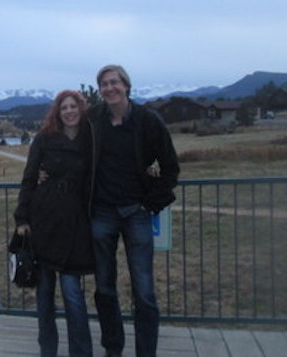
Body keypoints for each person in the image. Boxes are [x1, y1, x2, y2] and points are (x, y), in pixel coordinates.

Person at [89, 65, 180, 357]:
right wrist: (43, 169)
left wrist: (152, 202)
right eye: (104, 84)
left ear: (126, 86)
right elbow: (68, 147)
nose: (109, 88)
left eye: (114, 82)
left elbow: (170, 168)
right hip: (101, 214)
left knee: (144, 292)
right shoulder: (93, 120)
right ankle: (112, 349)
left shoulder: (147, 121)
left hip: (136, 213)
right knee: (104, 288)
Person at [14, 90, 95, 357]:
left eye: (74, 106)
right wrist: (22, 218)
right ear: (57, 113)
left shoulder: (92, 138)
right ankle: (47, 350)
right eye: (64, 108)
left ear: (81, 109)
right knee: (45, 294)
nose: (69, 111)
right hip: (44, 219)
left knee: (73, 295)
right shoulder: (44, 139)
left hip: (76, 223)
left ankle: (81, 353)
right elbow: (28, 179)